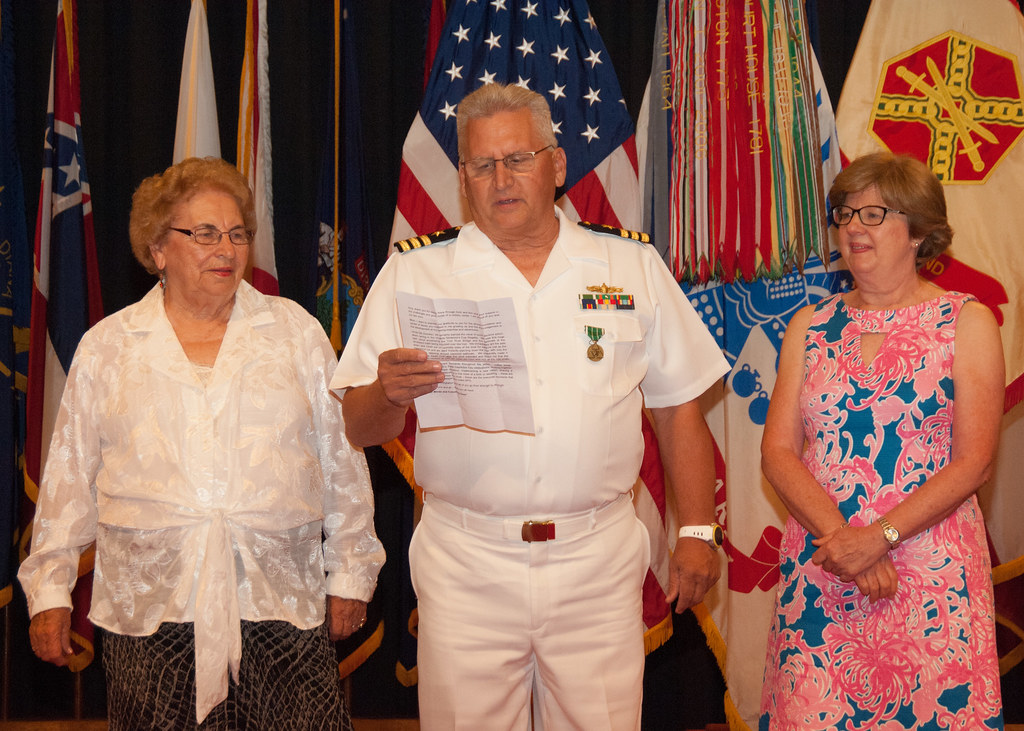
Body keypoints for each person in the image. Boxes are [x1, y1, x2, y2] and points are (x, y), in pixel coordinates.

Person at [330, 83, 730, 730]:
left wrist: (694, 532)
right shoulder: (415, 275)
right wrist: (385, 392)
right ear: (462, 178)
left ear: (558, 164)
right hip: (467, 563)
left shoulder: (628, 264)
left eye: (518, 159)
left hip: (595, 559)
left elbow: (678, 404)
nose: (501, 179)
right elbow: (358, 423)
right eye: (482, 165)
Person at [18, 157, 385, 730]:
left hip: (280, 603)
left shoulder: (295, 332)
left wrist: (352, 572)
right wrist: (49, 590)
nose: (227, 248)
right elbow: (68, 476)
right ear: (158, 248)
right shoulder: (108, 347)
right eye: (205, 233)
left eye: (237, 233)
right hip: (151, 611)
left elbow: (342, 460)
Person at [759, 152, 1004, 729]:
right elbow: (776, 452)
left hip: (930, 576)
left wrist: (883, 537)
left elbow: (975, 462)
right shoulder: (808, 325)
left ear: (918, 231)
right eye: (844, 213)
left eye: (874, 214)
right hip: (826, 562)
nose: (852, 227)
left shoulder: (967, 322)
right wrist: (847, 539)